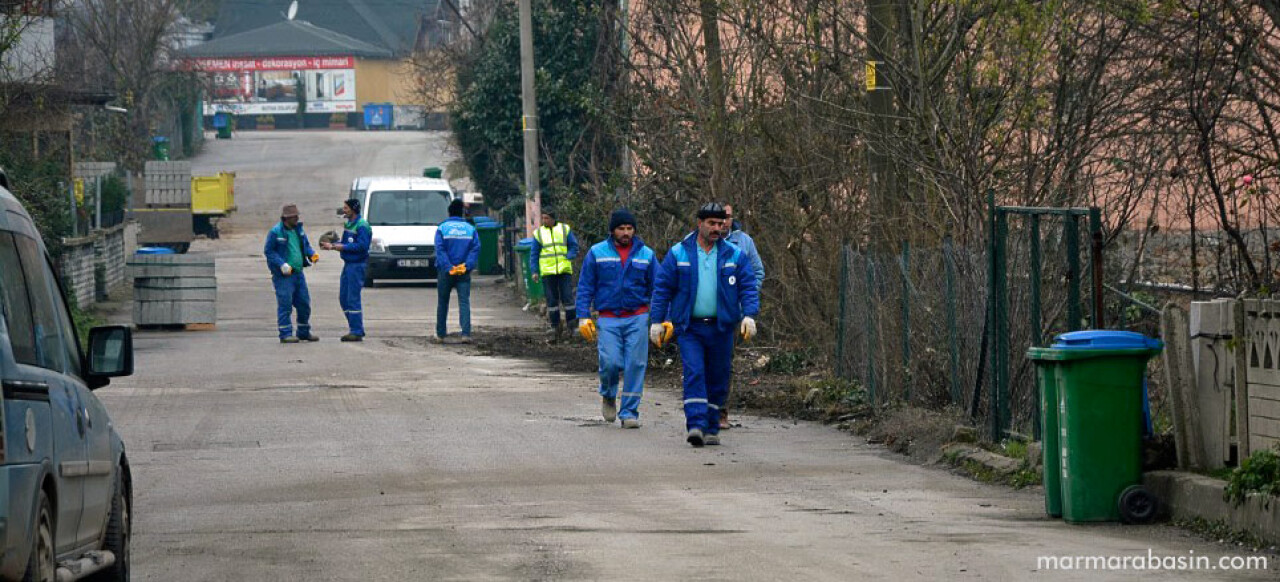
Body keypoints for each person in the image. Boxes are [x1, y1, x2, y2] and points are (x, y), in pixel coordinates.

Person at [651, 202, 759, 447]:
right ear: (699, 223)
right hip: (690, 328)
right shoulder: (679, 253)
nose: (717, 229)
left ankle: (711, 426)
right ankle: (696, 425)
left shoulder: (734, 254)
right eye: (711, 223)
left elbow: (748, 285)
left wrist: (749, 315)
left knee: (718, 376)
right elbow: (662, 288)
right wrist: (657, 321)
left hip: (722, 328)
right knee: (694, 372)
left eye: (721, 224)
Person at [576, 209, 657, 429]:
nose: (626, 233)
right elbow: (585, 286)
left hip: (637, 316)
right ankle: (609, 394)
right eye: (621, 228)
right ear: (612, 230)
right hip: (608, 318)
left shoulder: (646, 255)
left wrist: (660, 319)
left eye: (630, 229)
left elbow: (658, 289)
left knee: (635, 364)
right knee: (610, 362)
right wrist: (583, 316)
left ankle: (630, 411)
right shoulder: (596, 252)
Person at [718, 204, 766, 429]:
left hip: (732, 314)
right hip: (702, 314)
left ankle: (720, 411)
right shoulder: (694, 242)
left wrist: (745, 297)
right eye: (719, 218)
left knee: (725, 361)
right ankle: (700, 409)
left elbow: (757, 272)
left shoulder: (744, 242)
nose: (723, 222)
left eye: (727, 217)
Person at [264, 204, 320, 343]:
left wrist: (312, 254)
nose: (297, 218)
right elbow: (269, 251)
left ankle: (303, 331)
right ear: (286, 218)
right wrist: (281, 264)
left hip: (298, 274)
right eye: (294, 216)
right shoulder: (276, 232)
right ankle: (285, 333)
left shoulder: (298, 230)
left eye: (297, 216)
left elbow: (305, 245)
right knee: (285, 304)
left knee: (304, 304)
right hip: (284, 276)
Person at [322, 198, 372, 342]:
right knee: (344, 298)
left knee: (352, 298)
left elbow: (362, 246)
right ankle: (355, 328)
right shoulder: (349, 224)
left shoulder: (362, 226)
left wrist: (341, 247)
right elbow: (344, 243)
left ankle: (356, 331)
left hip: (357, 266)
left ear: (353, 209)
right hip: (348, 264)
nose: (343, 210)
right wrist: (332, 245)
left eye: (346, 208)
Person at [529, 208, 580, 342]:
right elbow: (534, 254)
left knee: (568, 298)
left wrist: (570, 256)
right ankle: (555, 326)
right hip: (547, 272)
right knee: (552, 301)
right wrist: (534, 271)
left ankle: (572, 326)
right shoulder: (539, 234)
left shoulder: (564, 229)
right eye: (543, 218)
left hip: (564, 270)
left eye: (547, 218)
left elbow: (574, 246)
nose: (544, 221)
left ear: (553, 219)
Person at [434, 198, 480, 342]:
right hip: (463, 272)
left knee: (443, 302)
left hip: (445, 272)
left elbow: (440, 250)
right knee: (464, 302)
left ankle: (441, 334)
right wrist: (466, 266)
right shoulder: (470, 229)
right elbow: (475, 248)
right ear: (462, 212)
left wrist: (449, 267)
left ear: (449, 212)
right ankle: (465, 334)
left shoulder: (442, 228)